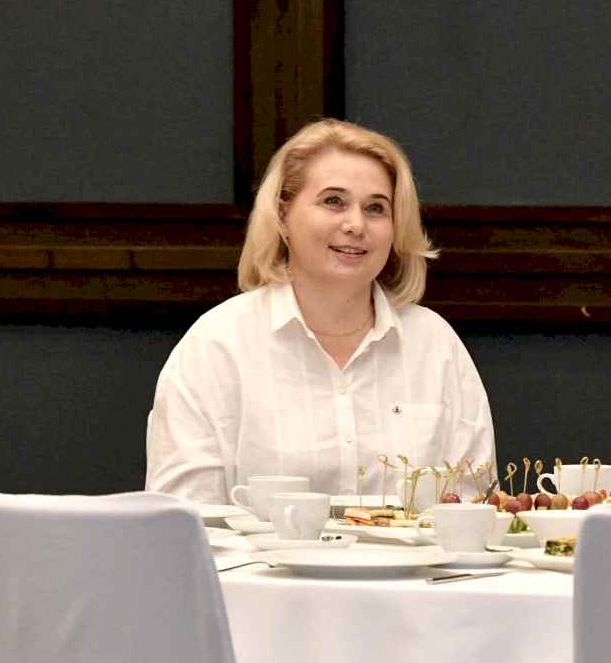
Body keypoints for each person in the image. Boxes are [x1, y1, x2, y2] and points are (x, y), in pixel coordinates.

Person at [145, 118, 495, 503]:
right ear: (282, 215)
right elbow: (183, 519)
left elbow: (473, 514)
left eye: (376, 208)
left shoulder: (436, 345)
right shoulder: (216, 346)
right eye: (333, 201)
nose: (356, 224)